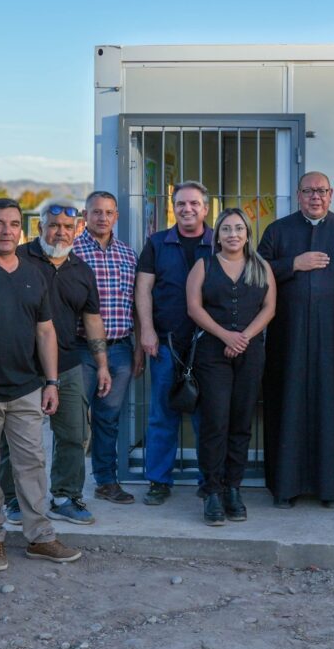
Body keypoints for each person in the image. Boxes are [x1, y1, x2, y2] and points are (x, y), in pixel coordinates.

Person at [0, 197, 79, 572]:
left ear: (20, 229)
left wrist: (51, 382)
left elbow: (45, 330)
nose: (5, 231)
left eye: (11, 224)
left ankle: (41, 537)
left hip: (26, 387)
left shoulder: (33, 273)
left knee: (32, 464)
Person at [0, 199, 111, 527]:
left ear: (78, 230)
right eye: (53, 225)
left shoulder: (82, 270)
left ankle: (65, 496)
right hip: (21, 365)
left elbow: (92, 320)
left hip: (69, 363)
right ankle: (14, 499)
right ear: (39, 228)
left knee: (75, 432)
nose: (59, 232)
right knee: (16, 438)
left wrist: (101, 364)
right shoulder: (16, 259)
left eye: (66, 227)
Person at [258, 171, 334, 508]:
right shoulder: (277, 230)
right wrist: (294, 264)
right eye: (308, 191)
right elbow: (254, 273)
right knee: (287, 407)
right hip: (287, 340)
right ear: (298, 194)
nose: (315, 197)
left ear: (331, 194)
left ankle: (330, 489)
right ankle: (285, 488)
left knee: (331, 410)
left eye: (321, 191)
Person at [186, 208, 276, 525]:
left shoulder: (260, 266)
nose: (233, 234)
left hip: (251, 353)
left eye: (239, 228)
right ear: (218, 235)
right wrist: (226, 335)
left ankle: (233, 489)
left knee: (241, 422)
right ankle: (211, 491)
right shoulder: (204, 265)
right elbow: (194, 307)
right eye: (226, 229)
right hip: (212, 353)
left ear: (247, 234)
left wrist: (244, 337)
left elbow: (269, 307)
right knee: (215, 422)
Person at [135, 181, 214, 505]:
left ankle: (208, 480)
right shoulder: (156, 243)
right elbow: (143, 290)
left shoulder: (219, 241)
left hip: (207, 345)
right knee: (162, 414)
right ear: (173, 207)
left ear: (205, 208)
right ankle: (158, 481)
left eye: (194, 204)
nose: (187, 209)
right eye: (181, 204)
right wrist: (147, 331)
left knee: (207, 415)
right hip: (166, 342)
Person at [72, 191, 144, 504]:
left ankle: (105, 481)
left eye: (109, 212)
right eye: (96, 212)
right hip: (80, 350)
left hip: (120, 350)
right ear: (85, 216)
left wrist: (139, 347)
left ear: (116, 216)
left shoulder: (129, 254)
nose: (103, 218)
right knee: (74, 421)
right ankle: (67, 488)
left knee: (108, 418)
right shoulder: (70, 252)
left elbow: (137, 306)